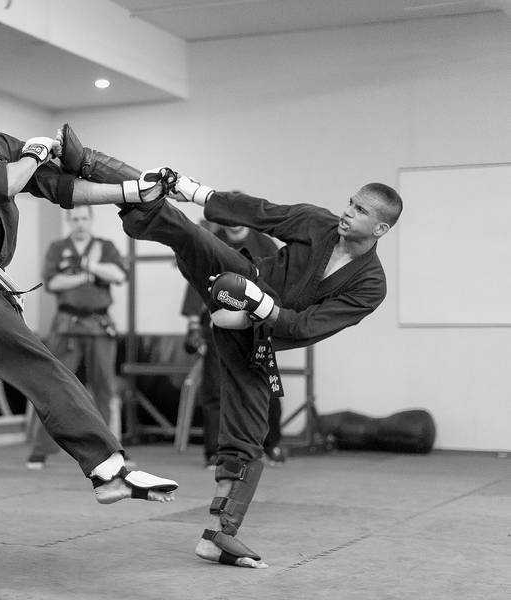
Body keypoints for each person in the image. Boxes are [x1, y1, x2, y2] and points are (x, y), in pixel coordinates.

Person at [57, 123, 402, 569]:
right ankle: (87, 164)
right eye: (350, 202)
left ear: (380, 228)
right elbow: (260, 212)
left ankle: (218, 537)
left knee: (249, 438)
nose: (347, 212)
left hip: (260, 336)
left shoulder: (371, 285)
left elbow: (307, 327)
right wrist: (195, 190)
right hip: (238, 279)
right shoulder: (318, 223)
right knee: (187, 230)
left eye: (360, 211)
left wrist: (254, 310)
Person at [0, 64, 179, 571]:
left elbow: (56, 186)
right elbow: (6, 183)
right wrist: (31, 151)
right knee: (39, 364)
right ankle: (109, 468)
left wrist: (135, 190)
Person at [26, 205, 126, 469]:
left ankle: (110, 452)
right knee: (54, 387)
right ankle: (40, 450)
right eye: (75, 218)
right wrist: (88, 275)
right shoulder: (58, 248)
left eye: (84, 218)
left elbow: (118, 275)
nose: (80, 223)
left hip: (99, 324)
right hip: (67, 325)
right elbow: (52, 283)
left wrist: (86, 266)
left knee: (105, 387)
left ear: (91, 220)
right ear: (69, 221)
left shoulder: (106, 247)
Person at [180, 222, 285, 469]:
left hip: (256, 324)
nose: (233, 221)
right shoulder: (211, 241)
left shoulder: (264, 243)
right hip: (219, 324)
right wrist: (194, 326)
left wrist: (279, 318)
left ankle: (272, 445)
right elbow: (196, 280)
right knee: (215, 389)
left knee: (266, 384)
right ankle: (215, 453)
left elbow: (279, 281)